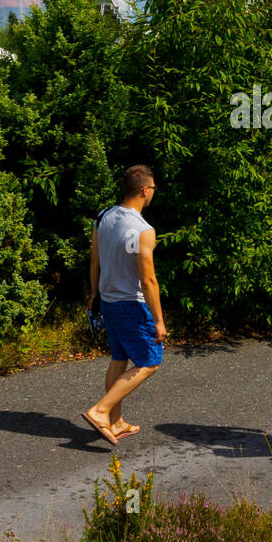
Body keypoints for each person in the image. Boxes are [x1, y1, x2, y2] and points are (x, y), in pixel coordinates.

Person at [82, 165, 167, 445]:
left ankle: (116, 423)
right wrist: (158, 319)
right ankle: (100, 410)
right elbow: (148, 279)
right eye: (153, 188)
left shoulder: (103, 217)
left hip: (108, 300)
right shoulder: (143, 230)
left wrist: (94, 297)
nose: (153, 192)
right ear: (145, 190)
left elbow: (95, 261)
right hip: (132, 304)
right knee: (150, 361)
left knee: (119, 359)